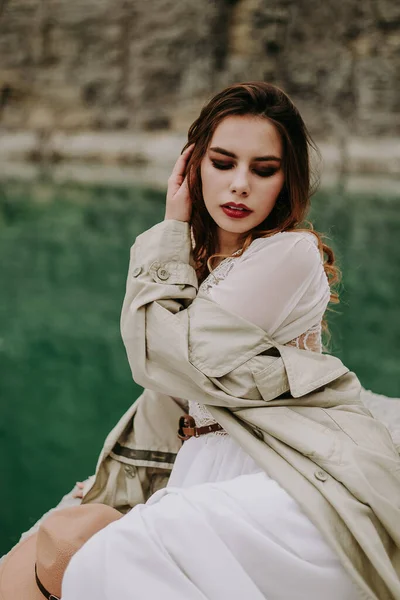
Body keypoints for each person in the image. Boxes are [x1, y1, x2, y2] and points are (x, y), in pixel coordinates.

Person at [61, 82, 400, 599]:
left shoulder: (287, 254)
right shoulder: (197, 262)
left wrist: (172, 223)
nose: (240, 184)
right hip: (213, 468)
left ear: (286, 182)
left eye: (264, 170)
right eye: (223, 162)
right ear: (193, 165)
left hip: (287, 474)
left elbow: (158, 356)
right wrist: (110, 484)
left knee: (111, 561)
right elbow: (163, 400)